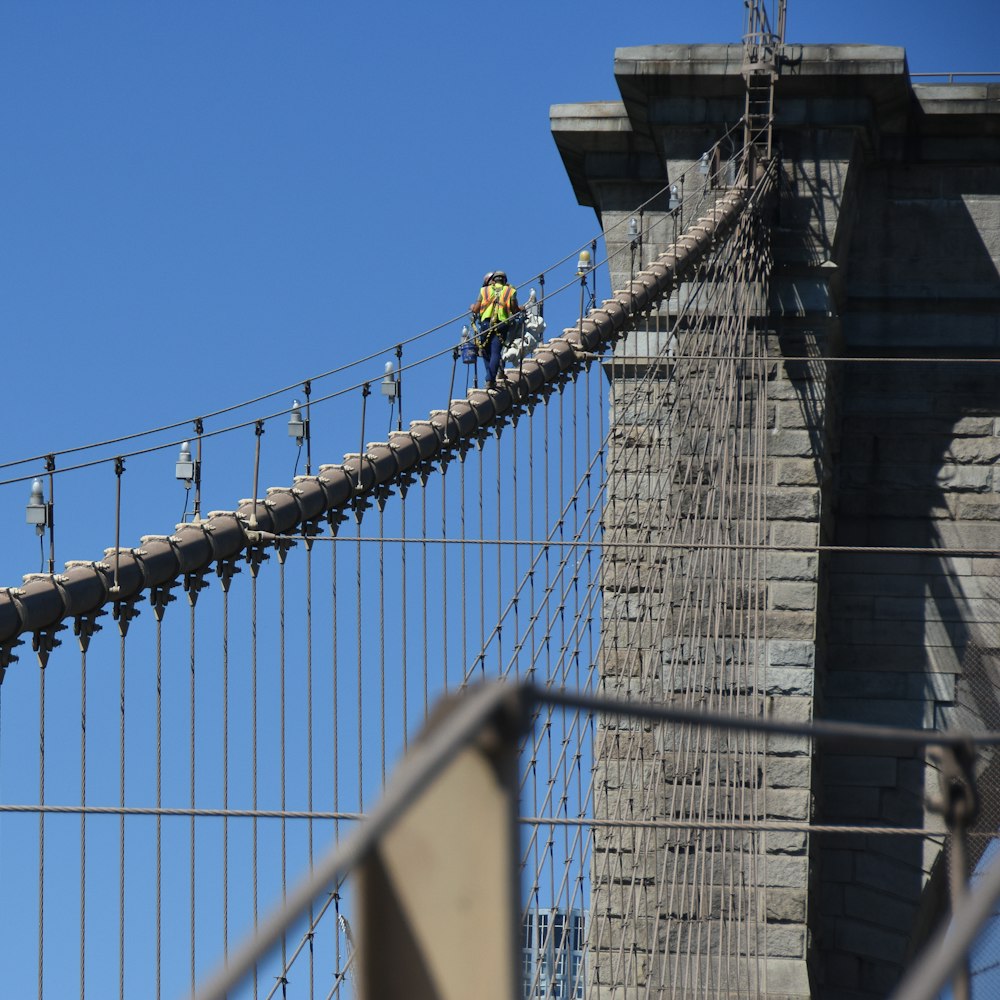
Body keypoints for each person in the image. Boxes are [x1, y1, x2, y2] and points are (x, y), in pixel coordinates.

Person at [470, 270, 521, 388]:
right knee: (495, 352)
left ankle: (490, 377)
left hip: (485, 324)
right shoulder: (510, 291)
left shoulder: (484, 290)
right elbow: (514, 309)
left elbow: (476, 309)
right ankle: (490, 378)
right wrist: (520, 308)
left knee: (485, 351)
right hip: (501, 324)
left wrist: (473, 307)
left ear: (493, 280)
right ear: (505, 281)